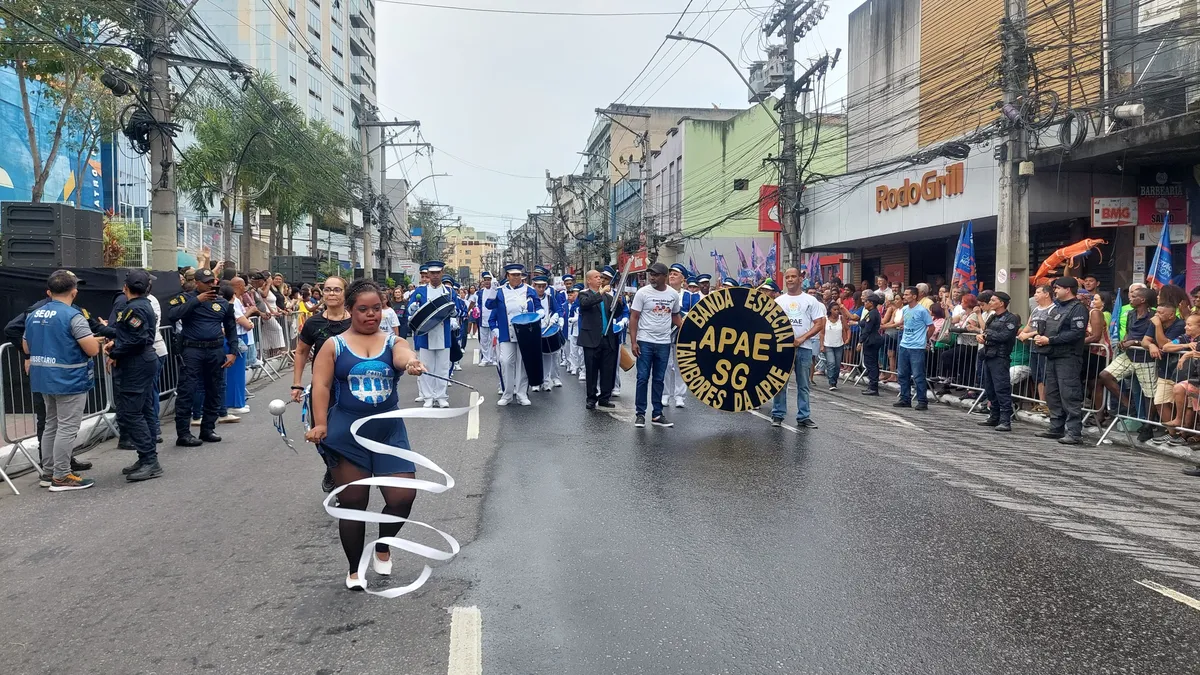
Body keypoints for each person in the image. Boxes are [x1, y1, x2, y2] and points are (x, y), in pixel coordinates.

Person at [304, 279, 427, 591]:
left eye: (376, 308)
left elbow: (403, 354)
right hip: (347, 434)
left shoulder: (391, 342)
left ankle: (383, 545)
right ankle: (355, 569)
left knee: (403, 497)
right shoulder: (335, 345)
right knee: (354, 502)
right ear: (350, 310)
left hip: (388, 432)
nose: (371, 314)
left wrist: (411, 362)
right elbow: (321, 386)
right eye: (363, 309)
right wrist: (320, 424)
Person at [22, 270, 102, 491]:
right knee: (66, 428)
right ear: (74, 292)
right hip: (69, 379)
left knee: (51, 425)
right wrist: (96, 340)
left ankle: (49, 473)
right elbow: (92, 349)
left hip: (43, 378)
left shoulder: (34, 314)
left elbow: (26, 346)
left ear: (49, 291)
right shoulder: (73, 316)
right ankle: (62, 476)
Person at [102, 270, 164, 481]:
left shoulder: (135, 308)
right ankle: (146, 457)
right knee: (142, 410)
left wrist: (115, 351)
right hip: (142, 362)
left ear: (125, 288)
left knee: (131, 413)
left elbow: (138, 339)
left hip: (137, 364)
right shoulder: (139, 306)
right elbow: (126, 333)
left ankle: (149, 460)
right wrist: (99, 329)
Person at [293, 276, 353, 493]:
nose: (332, 294)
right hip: (322, 387)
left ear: (345, 293)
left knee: (347, 433)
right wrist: (297, 384)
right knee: (322, 432)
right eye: (327, 290)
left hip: (351, 387)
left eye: (337, 290)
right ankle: (331, 467)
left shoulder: (356, 320)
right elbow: (301, 352)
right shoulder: (313, 322)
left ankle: (346, 480)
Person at [166, 267, 237, 446]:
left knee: (215, 389)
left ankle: (208, 429)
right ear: (197, 283)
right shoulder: (186, 298)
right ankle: (183, 434)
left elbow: (231, 328)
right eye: (206, 283)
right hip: (193, 350)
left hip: (215, 350)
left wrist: (233, 351)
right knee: (187, 391)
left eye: (212, 282)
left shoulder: (222, 303)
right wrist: (197, 301)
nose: (211, 285)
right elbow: (172, 315)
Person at [1033, 277, 1089, 444]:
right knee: (1053, 393)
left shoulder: (1078, 309)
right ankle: (1056, 427)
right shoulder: (1056, 308)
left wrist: (1050, 340)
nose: (1055, 291)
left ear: (1068, 289)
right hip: (1053, 355)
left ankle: (1074, 432)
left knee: (1069, 394)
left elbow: (1076, 334)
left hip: (1068, 357)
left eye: (1057, 288)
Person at [630, 262, 683, 428]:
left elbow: (675, 317)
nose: (652, 277)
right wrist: (633, 342)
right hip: (645, 341)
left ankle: (657, 414)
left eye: (656, 274)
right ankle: (640, 414)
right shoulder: (642, 293)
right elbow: (634, 318)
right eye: (650, 274)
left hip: (664, 343)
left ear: (664, 277)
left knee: (659, 379)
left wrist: (690, 329)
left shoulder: (673, 295)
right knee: (642, 378)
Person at [771, 268, 826, 428]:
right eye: (787, 277)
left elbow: (819, 323)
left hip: (805, 348)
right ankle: (777, 414)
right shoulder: (779, 301)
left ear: (800, 279)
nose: (790, 279)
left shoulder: (811, 300)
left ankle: (804, 416)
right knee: (780, 383)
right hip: (783, 348)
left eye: (793, 276)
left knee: (804, 384)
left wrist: (802, 338)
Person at [488, 263, 540, 406]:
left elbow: (538, 306)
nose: (516, 277)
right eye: (513, 275)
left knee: (523, 363)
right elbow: (488, 306)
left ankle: (522, 393)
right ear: (507, 276)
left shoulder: (530, 290)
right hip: (507, 332)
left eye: (518, 275)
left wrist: (540, 314)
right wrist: (492, 291)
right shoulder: (500, 291)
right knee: (505, 362)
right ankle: (507, 393)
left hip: (526, 332)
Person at [407, 261, 454, 408]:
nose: (434, 276)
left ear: (442, 273)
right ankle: (428, 397)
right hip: (425, 334)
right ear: (428, 274)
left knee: (443, 367)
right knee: (426, 366)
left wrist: (454, 313)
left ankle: (441, 396)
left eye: (437, 273)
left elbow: (456, 308)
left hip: (442, 333)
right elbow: (410, 308)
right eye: (432, 273)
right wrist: (412, 308)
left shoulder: (449, 291)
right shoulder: (420, 291)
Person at [578, 270, 623, 410]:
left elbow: (616, 313)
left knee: (607, 369)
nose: (599, 280)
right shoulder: (584, 294)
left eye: (601, 278)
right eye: (596, 277)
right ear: (589, 281)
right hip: (591, 339)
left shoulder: (607, 297)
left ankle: (605, 397)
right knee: (591, 370)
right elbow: (586, 304)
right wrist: (602, 292)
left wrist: (619, 302)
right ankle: (591, 398)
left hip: (607, 338)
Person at [976, 291, 1019, 431]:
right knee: (990, 388)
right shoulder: (993, 317)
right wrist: (982, 336)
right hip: (989, 354)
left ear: (1001, 303)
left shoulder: (1010, 318)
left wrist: (987, 336)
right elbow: (986, 331)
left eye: (993, 300)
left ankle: (1005, 420)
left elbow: (1004, 336)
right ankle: (994, 416)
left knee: (1002, 388)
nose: (990, 302)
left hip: (1000, 357)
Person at [895, 286, 934, 410]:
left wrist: (925, 338)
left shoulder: (922, 310)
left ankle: (922, 400)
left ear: (914, 296)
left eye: (907, 295)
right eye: (904, 295)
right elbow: (903, 323)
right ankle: (905, 398)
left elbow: (931, 327)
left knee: (918, 374)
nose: (904, 297)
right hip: (904, 344)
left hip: (917, 347)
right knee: (902, 373)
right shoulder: (905, 309)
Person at [660, 263, 691, 408]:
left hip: (683, 334)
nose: (672, 276)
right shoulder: (662, 293)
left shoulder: (691, 296)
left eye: (675, 274)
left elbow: (696, 312)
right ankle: (665, 394)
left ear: (683, 279)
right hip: (665, 333)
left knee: (681, 366)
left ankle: (680, 396)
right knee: (665, 365)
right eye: (670, 274)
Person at [531, 275, 564, 390]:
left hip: (547, 329)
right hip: (534, 329)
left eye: (543, 286)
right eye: (538, 286)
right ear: (534, 286)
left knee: (548, 355)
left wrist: (557, 317)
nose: (540, 289)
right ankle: (535, 382)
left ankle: (546, 381)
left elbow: (558, 309)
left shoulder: (550, 298)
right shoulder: (530, 299)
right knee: (535, 356)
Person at [225, 283, 253, 415]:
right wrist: (249, 322)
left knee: (239, 372)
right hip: (236, 336)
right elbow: (244, 321)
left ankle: (239, 401)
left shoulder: (236, 300)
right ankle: (234, 403)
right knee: (234, 373)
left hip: (239, 336)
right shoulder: (233, 302)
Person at [859, 293, 884, 395]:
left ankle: (873, 387)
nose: (864, 303)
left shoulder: (873, 313)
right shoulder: (871, 313)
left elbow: (867, 329)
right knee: (871, 363)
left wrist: (860, 341)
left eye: (866, 301)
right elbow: (863, 323)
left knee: (871, 364)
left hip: (871, 340)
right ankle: (872, 385)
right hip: (872, 339)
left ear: (871, 303)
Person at [822, 302, 849, 390]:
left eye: (838, 309)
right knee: (831, 363)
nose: (837, 311)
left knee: (837, 365)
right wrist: (821, 345)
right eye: (834, 309)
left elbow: (847, 329)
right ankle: (831, 382)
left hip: (839, 345)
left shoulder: (841, 318)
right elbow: (822, 333)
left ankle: (835, 380)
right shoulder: (825, 319)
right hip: (828, 345)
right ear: (830, 310)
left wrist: (848, 339)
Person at [475, 272, 497, 366]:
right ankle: (485, 358)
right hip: (483, 319)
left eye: (489, 280)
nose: (487, 282)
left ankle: (494, 358)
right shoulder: (480, 292)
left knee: (494, 340)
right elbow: (477, 304)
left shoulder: (496, 291)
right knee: (484, 340)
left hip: (493, 319)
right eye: (485, 280)